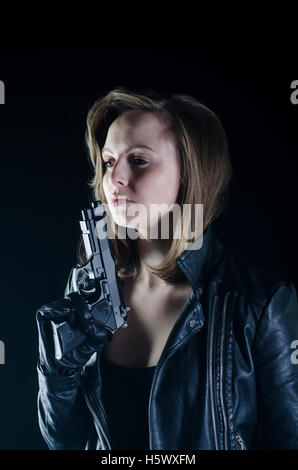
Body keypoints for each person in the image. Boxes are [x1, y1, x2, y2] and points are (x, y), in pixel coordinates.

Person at [36, 88, 298, 450]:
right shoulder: (85, 285)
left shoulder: (259, 303)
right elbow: (64, 441)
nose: (116, 178)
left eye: (139, 160)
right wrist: (57, 374)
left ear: (189, 173)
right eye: (110, 162)